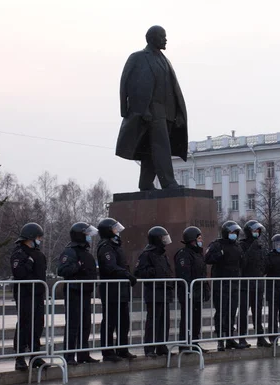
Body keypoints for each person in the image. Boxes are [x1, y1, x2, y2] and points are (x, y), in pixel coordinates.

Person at [116, 25, 188, 191]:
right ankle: (168, 182)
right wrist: (138, 109)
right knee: (161, 147)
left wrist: (178, 113)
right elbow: (128, 83)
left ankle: (145, 183)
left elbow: (173, 88)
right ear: (152, 38)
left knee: (151, 149)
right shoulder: (138, 57)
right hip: (151, 111)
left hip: (168, 112)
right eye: (162, 36)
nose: (165, 39)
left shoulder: (165, 60)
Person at [57, 222, 99, 366]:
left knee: (85, 324)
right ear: (80, 235)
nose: (89, 237)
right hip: (74, 292)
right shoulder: (70, 251)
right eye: (87, 235)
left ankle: (83, 354)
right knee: (73, 325)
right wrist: (78, 266)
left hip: (85, 292)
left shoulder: (85, 252)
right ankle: (69, 356)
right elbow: (62, 270)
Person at [97, 218, 137, 362]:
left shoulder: (116, 246)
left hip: (121, 291)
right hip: (111, 290)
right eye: (114, 229)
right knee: (110, 322)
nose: (117, 231)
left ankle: (122, 349)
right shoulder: (105, 247)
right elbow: (111, 267)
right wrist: (127, 275)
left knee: (123, 322)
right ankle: (108, 352)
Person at [11, 222, 47, 371]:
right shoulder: (19, 253)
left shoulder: (38, 254)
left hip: (38, 295)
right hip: (25, 294)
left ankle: (35, 355)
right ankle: (20, 358)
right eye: (38, 237)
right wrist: (28, 263)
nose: (40, 240)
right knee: (24, 325)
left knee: (37, 325)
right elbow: (19, 274)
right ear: (30, 237)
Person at [205, 221, 246, 351]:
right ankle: (220, 340)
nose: (234, 235)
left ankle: (230, 338)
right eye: (231, 233)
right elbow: (208, 259)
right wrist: (220, 255)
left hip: (233, 284)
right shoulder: (217, 245)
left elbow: (242, 262)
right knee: (221, 312)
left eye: (235, 233)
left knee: (232, 312)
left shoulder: (237, 246)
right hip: (221, 285)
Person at [135, 226, 175, 357]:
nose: (165, 240)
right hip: (154, 292)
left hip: (164, 292)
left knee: (164, 322)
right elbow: (139, 271)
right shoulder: (147, 254)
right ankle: (150, 348)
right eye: (163, 238)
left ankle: (161, 346)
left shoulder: (162, 254)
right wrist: (154, 273)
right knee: (153, 321)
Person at [175, 226, 209, 353]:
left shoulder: (198, 254)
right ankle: (184, 344)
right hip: (188, 293)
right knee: (187, 320)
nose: (201, 240)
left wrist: (205, 289)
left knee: (196, 320)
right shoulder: (183, 255)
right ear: (192, 239)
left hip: (197, 293)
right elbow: (185, 275)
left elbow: (202, 274)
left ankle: (194, 342)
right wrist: (191, 289)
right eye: (199, 238)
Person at [238, 220, 271, 348]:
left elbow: (264, 263)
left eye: (258, 231)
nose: (256, 233)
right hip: (245, 284)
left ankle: (260, 337)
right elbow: (243, 262)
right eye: (254, 231)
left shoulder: (260, 246)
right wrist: (252, 247)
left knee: (257, 312)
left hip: (257, 284)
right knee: (243, 312)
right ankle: (241, 337)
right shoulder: (242, 245)